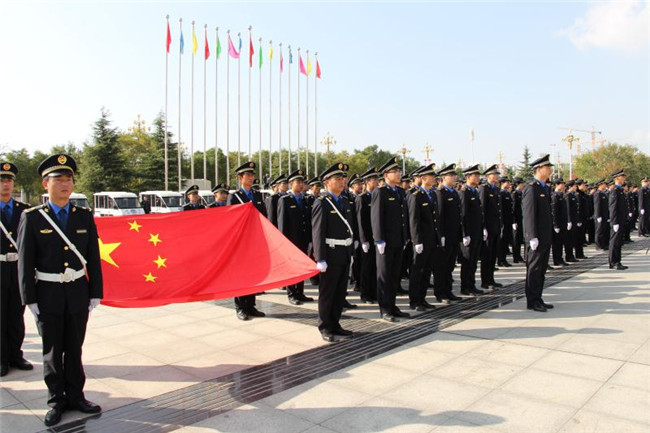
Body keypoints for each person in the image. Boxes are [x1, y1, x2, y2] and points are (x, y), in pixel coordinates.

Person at [18, 154, 103, 426]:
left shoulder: (84, 216)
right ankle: (56, 400)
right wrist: (29, 298)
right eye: (59, 180)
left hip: (77, 291)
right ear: (46, 184)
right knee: (52, 351)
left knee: (75, 348)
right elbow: (25, 261)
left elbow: (93, 256)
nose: (65, 184)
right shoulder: (33, 217)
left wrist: (95, 291)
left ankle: (77, 396)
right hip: (48, 293)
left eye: (69, 179)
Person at [312, 163, 355, 342]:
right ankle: (325, 326)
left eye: (343, 178)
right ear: (327, 182)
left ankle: (335, 323)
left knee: (339, 292)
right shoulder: (322, 203)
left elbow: (349, 228)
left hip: (344, 253)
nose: (342, 181)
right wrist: (320, 258)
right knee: (328, 293)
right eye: (338, 178)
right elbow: (318, 232)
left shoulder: (344, 201)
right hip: (330, 254)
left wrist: (351, 252)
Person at [0, 162, 33, 377]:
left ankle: (16, 355)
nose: (6, 184)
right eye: (2, 181)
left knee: (17, 315)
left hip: (18, 268)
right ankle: (2, 358)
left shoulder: (24, 210)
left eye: (9, 180)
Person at [227, 162, 268, 320]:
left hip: (255, 240)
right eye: (248, 175)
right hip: (241, 241)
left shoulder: (257, 195)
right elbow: (230, 220)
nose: (251, 178)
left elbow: (264, 216)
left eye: (252, 175)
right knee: (240, 274)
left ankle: (251, 305)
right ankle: (240, 307)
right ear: (240, 178)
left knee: (253, 273)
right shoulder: (234, 197)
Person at [372, 157, 410, 322]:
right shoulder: (380, 192)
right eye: (395, 171)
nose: (399, 174)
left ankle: (393, 305)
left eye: (399, 171)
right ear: (386, 175)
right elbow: (376, 218)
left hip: (398, 240)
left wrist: (405, 236)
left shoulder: (400, 192)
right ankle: (385, 309)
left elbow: (403, 217)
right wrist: (379, 239)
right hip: (386, 242)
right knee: (384, 276)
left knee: (395, 276)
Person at [522, 154, 554, 313]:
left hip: (544, 236)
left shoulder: (543, 187)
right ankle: (532, 301)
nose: (550, 170)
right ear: (539, 169)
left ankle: (538, 298)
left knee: (541, 270)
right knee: (534, 270)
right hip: (536, 237)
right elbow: (529, 213)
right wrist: (532, 236)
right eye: (548, 167)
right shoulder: (531, 188)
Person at [278, 170, 314, 305]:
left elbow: (308, 221)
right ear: (290, 184)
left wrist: (310, 239)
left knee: (302, 267)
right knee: (291, 268)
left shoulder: (305, 200)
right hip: (291, 240)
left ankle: (300, 292)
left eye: (301, 182)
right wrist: (284, 243)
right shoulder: (285, 200)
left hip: (303, 239)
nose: (300, 185)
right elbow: (282, 223)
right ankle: (292, 293)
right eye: (297, 182)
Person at [407, 163, 440, 310]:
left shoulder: (432, 194)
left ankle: (422, 298)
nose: (434, 178)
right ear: (424, 178)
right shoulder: (416, 196)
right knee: (417, 271)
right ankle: (415, 301)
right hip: (421, 239)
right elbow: (414, 220)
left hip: (431, 238)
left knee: (427, 271)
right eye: (431, 176)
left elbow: (435, 218)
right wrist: (417, 241)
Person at [434, 164, 463, 303]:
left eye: (454, 175)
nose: (454, 177)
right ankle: (440, 293)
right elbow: (439, 216)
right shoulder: (440, 193)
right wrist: (441, 235)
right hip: (445, 235)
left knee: (450, 265)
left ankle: (448, 290)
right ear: (444, 177)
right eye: (451, 175)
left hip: (454, 234)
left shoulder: (454, 193)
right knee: (442, 266)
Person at [459, 164, 485, 296]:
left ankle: (472, 284)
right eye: (476, 175)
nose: (478, 177)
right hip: (469, 233)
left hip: (476, 232)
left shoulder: (474, 191)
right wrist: (465, 234)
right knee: (467, 261)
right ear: (468, 177)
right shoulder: (464, 192)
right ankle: (465, 286)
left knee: (474, 261)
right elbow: (463, 214)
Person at [356, 167, 379, 304]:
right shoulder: (362, 198)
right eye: (374, 180)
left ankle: (374, 292)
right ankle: (365, 294)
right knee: (366, 267)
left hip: (376, 237)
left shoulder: (376, 196)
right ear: (367, 182)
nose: (377, 182)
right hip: (367, 238)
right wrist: (363, 240)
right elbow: (360, 221)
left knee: (375, 266)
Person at [480, 164, 503, 291]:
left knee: (493, 254)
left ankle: (491, 279)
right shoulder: (484, 189)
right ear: (488, 176)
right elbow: (482, 209)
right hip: (488, 228)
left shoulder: (496, 189)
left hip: (495, 227)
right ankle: (485, 280)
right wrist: (483, 227)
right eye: (495, 174)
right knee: (487, 255)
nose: (497, 176)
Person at [608, 169, 629, 270]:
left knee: (619, 242)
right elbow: (613, 208)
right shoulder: (615, 191)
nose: (624, 178)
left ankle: (618, 261)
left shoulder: (620, 190)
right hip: (617, 221)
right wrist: (615, 222)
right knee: (615, 242)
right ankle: (613, 262)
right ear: (617, 178)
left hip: (621, 220)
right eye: (622, 177)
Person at [551, 179, 570, 266]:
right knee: (557, 243)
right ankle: (557, 259)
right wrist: (555, 225)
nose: (563, 186)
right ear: (557, 185)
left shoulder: (561, 195)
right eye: (562, 184)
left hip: (563, 222)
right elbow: (554, 211)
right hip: (558, 223)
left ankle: (560, 258)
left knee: (561, 242)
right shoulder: (555, 196)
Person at [497, 176, 514, 267]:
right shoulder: (501, 193)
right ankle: (501, 260)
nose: (509, 184)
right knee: (502, 242)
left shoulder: (507, 193)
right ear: (502, 183)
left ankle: (503, 259)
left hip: (508, 220)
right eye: (507, 182)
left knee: (506, 240)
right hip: (503, 221)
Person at [564, 181, 579, 262]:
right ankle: (569, 256)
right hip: (570, 220)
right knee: (569, 239)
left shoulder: (573, 195)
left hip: (574, 219)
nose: (576, 188)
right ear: (570, 187)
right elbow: (568, 209)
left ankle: (571, 255)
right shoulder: (568, 195)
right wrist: (569, 220)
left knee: (572, 238)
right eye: (574, 186)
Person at [593, 179, 610, 249]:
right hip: (600, 215)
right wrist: (598, 215)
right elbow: (597, 205)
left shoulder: (603, 193)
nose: (605, 185)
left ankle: (603, 244)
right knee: (599, 231)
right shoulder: (597, 194)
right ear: (600, 185)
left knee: (604, 230)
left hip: (604, 215)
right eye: (604, 184)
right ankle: (598, 245)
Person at [511, 177, 525, 263]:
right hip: (516, 219)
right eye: (522, 184)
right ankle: (516, 257)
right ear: (518, 184)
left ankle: (519, 256)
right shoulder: (514, 194)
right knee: (516, 239)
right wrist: (514, 221)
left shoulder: (522, 194)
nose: (523, 185)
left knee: (520, 238)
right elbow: (513, 208)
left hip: (521, 219)